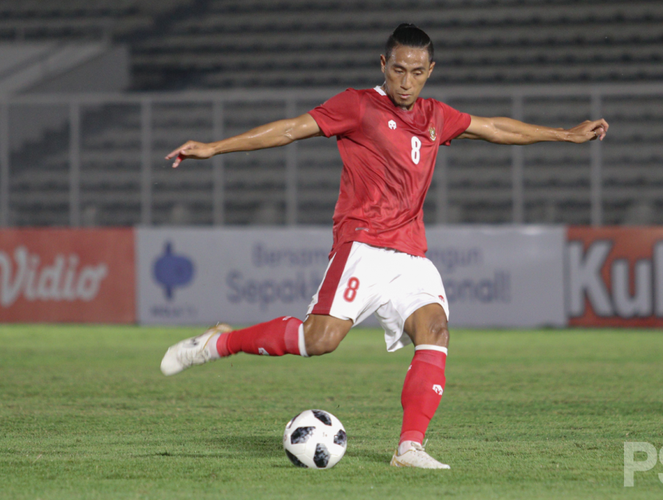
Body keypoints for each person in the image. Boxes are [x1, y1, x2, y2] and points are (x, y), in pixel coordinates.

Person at [160, 23, 608, 469]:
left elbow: (493, 128)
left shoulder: (436, 117)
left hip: (411, 253)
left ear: (430, 70)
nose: (406, 81)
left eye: (416, 72)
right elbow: (288, 130)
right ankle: (223, 342)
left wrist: (565, 134)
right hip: (363, 244)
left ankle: (409, 447)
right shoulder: (357, 106)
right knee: (319, 341)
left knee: (435, 332)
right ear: (383, 65)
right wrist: (214, 148)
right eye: (398, 70)